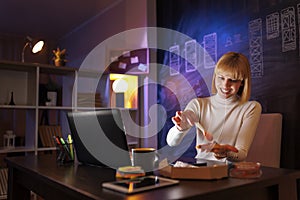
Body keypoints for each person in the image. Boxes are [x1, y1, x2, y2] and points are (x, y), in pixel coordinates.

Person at [166, 52, 262, 162]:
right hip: (201, 170)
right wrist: (180, 129)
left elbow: (241, 154)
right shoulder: (198, 104)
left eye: (233, 80)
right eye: (221, 78)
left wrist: (225, 153)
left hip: (230, 172)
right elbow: (171, 143)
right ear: (215, 77)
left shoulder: (251, 108)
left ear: (242, 82)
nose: (225, 85)